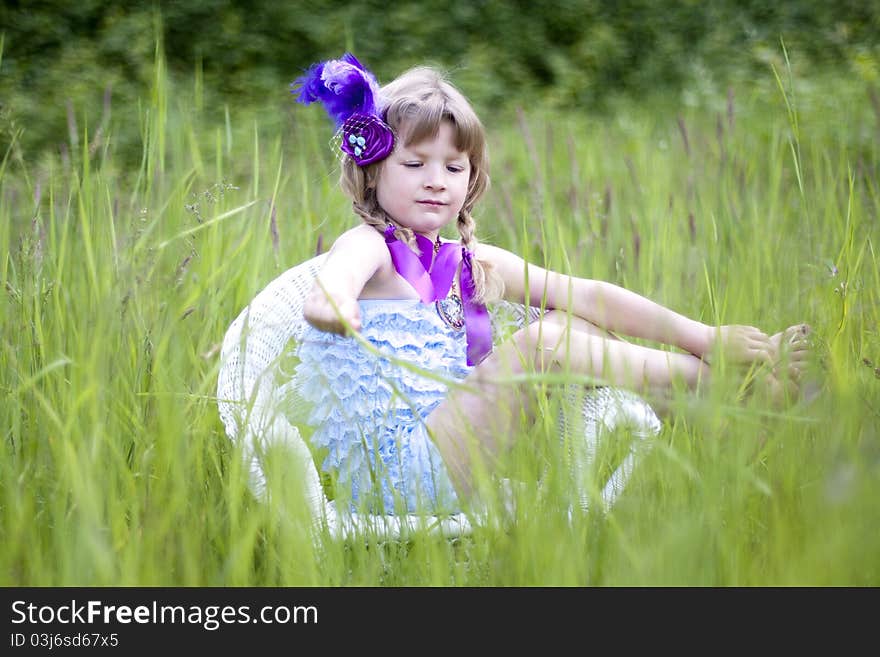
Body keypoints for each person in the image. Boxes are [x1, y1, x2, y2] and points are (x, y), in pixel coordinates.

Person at [289, 53, 811, 516]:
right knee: (543, 343)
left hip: (451, 450)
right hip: (397, 476)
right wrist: (332, 304)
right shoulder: (370, 246)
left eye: (453, 166)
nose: (435, 180)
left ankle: (718, 410)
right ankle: (718, 385)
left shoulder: (468, 260)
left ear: (470, 179)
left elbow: (585, 292)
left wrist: (703, 334)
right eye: (414, 163)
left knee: (571, 320)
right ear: (374, 170)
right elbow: (332, 282)